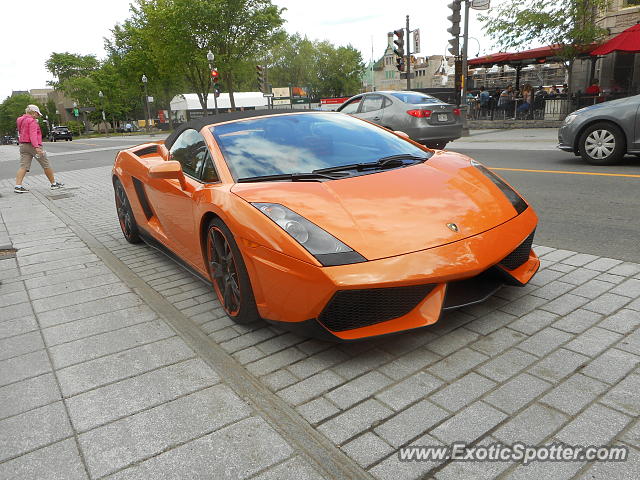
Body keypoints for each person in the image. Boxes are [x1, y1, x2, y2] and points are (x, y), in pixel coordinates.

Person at [14, 105, 64, 193]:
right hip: (33, 146)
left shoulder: (20, 120)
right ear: (33, 112)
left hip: (23, 145)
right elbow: (32, 135)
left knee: (23, 166)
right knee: (46, 164)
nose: (38, 116)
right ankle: (53, 184)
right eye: (37, 114)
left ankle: (18, 186)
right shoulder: (32, 121)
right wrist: (37, 147)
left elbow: (20, 131)